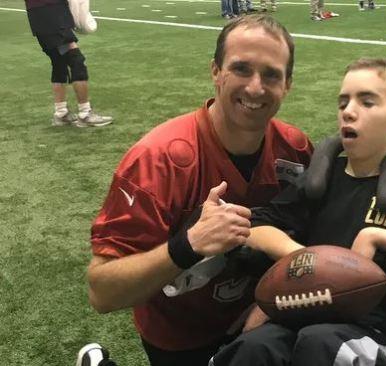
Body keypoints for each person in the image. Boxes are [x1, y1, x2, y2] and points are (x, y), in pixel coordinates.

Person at [209, 58, 386, 366]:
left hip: (378, 327)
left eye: (367, 101)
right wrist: (306, 261)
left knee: (321, 344)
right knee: (255, 347)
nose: (348, 111)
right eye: (343, 102)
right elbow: (258, 225)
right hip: (309, 308)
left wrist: (378, 236)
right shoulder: (319, 182)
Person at [85, 15, 313, 366]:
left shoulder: (295, 149)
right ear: (215, 72)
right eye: (241, 69)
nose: (255, 87)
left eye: (271, 74)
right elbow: (101, 291)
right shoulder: (158, 159)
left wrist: (270, 301)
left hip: (264, 317)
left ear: (288, 85)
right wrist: (187, 245)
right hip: (181, 334)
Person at [25, 0, 113, 127]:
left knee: (58, 62)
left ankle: (61, 113)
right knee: (76, 60)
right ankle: (85, 114)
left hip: (40, 14)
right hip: (51, 12)